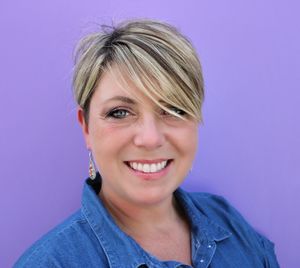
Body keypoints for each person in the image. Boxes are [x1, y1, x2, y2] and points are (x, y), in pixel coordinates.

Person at [14, 19, 280, 267]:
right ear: (86, 127)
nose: (150, 138)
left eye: (174, 110)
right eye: (119, 112)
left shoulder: (229, 223)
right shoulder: (50, 262)